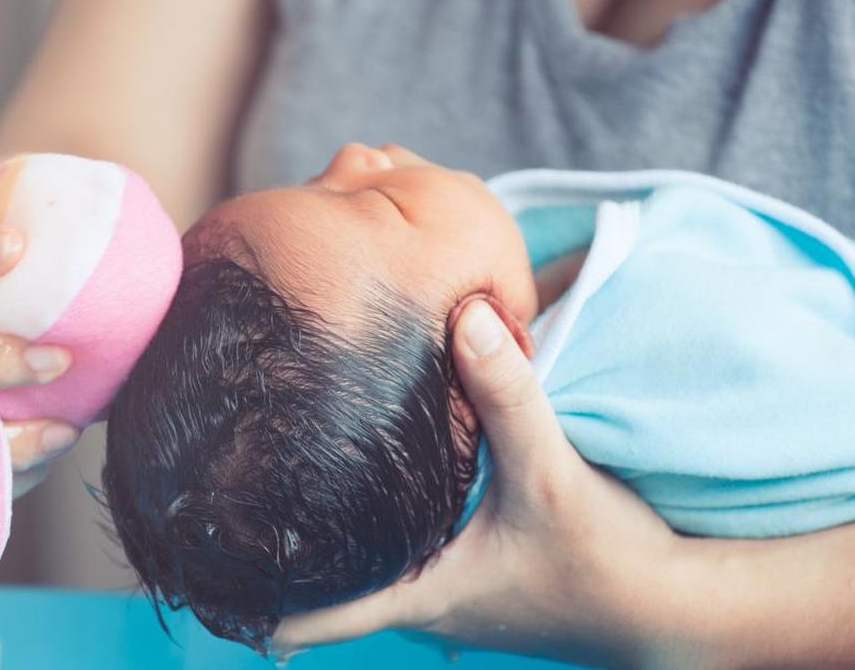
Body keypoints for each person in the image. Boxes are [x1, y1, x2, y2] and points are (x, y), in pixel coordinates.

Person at [0, 0, 855, 665]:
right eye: (355, 197)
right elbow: (93, 172)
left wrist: (693, 611)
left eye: (366, 200)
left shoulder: (685, 330)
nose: (353, 152)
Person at [101, 141, 855, 654]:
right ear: (488, 344)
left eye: (314, 186)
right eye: (379, 204)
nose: (351, 155)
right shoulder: (674, 336)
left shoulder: (509, 281)